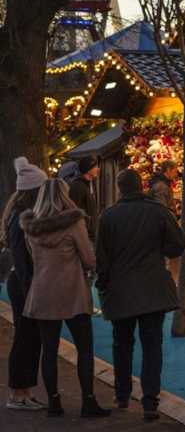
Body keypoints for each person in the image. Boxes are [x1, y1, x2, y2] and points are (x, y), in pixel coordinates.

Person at [96, 169, 185, 421]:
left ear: (119, 188)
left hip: (121, 289)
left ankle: (122, 394)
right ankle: (150, 401)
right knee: (152, 345)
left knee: (121, 343)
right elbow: (178, 244)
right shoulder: (157, 212)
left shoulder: (109, 216)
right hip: (152, 287)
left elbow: (101, 258)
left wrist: (103, 285)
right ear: (141, 186)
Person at [20, 179, 109, 418]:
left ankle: (54, 403)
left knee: (48, 350)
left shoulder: (31, 227)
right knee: (85, 349)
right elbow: (89, 260)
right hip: (72, 295)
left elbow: (32, 258)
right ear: (64, 195)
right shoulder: (73, 223)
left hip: (42, 294)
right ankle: (88, 401)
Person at [3, 157, 46, 411]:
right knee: (26, 338)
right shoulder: (22, 218)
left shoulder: (16, 215)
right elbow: (22, 259)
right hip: (24, 285)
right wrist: (32, 290)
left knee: (28, 337)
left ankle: (23, 392)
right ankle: (18, 393)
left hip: (21, 283)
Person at [67, 156, 100, 242]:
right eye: (95, 167)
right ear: (88, 169)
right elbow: (74, 210)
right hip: (84, 236)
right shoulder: (77, 186)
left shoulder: (89, 185)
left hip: (90, 234)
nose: (98, 169)